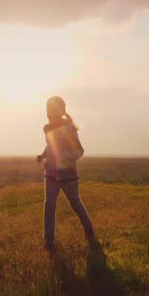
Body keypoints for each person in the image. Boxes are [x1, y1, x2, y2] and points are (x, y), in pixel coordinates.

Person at [37, 96, 95, 253]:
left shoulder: (69, 128)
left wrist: (66, 159)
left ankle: (90, 234)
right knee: (49, 206)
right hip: (50, 174)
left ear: (63, 111)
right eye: (49, 110)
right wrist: (43, 155)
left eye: (56, 110)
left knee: (75, 204)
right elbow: (50, 145)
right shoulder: (47, 128)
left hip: (68, 176)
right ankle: (49, 242)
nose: (52, 113)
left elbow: (79, 151)